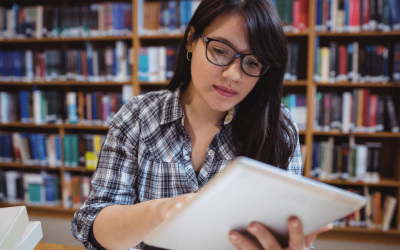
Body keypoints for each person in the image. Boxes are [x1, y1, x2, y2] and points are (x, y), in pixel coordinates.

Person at [72, 0, 332, 249]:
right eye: (220, 50)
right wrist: (162, 212)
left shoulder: (277, 128)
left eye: (252, 62)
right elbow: (93, 225)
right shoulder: (138, 116)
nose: (233, 75)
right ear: (192, 40)